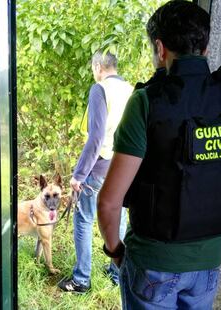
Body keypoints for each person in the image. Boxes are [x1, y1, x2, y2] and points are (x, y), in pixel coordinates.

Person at [97, 1, 221, 309]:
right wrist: (205, 225)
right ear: (205, 47)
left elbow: (108, 201)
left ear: (160, 48)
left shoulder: (147, 103)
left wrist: (115, 252)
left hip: (152, 263)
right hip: (207, 266)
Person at [58, 50, 133, 293]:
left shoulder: (100, 89)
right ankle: (116, 272)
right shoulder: (132, 90)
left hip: (99, 167)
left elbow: (96, 137)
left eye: (93, 69)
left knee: (83, 219)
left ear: (99, 67)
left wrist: (78, 175)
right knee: (119, 217)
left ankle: (81, 279)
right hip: (123, 168)